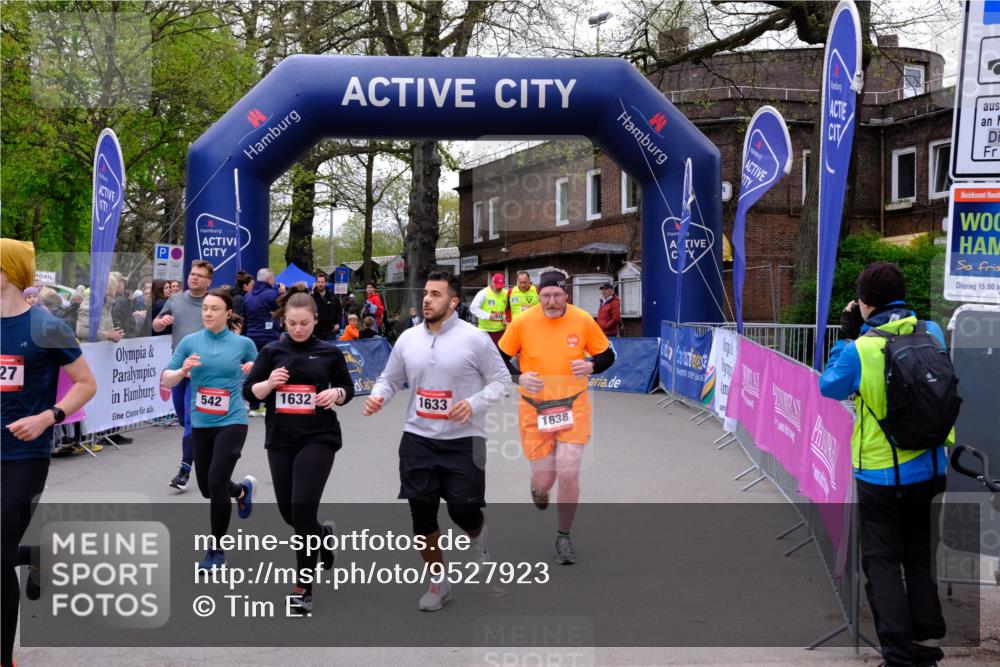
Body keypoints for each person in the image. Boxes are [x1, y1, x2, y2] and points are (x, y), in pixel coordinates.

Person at [819, 262, 948, 667]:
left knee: (882, 561)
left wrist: (846, 336)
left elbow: (830, 386)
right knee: (920, 555)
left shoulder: (861, 347)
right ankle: (927, 642)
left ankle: (898, 653)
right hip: (932, 466)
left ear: (864, 303)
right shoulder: (933, 332)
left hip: (880, 472)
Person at [364, 271, 511, 611]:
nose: (426, 299)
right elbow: (389, 379)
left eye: (436, 294)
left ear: (454, 302)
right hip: (418, 439)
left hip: (464, 439)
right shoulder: (408, 339)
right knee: (422, 515)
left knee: (464, 511)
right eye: (426, 293)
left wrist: (473, 403)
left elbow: (502, 381)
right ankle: (439, 581)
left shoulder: (474, 339)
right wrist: (378, 396)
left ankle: (478, 540)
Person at [1, 238, 97, 667]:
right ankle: (37, 554)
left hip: (25, 455)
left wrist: (48, 416)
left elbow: (85, 384)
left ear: (9, 272)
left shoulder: (46, 326)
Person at [244, 292, 354, 614]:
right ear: (284, 321)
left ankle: (303, 585)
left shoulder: (329, 352)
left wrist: (336, 393)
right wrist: (268, 384)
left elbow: (347, 389)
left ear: (315, 321)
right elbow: (249, 392)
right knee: (289, 514)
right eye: (292, 323)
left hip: (319, 437)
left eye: (304, 323)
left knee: (302, 510)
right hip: (281, 438)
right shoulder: (272, 351)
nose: (298, 328)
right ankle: (323, 535)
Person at [498, 270, 615, 565]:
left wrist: (592, 366)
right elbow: (497, 358)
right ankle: (538, 488)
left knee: (569, 470)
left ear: (566, 295)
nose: (551, 301)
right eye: (546, 295)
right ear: (539, 295)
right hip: (534, 409)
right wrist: (519, 377)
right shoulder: (523, 322)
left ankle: (564, 535)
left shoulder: (583, 320)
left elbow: (607, 355)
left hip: (573, 406)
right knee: (546, 479)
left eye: (557, 295)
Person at [161, 289, 258, 570]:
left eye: (214, 309)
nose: (207, 313)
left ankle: (216, 550)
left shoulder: (243, 344)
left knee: (216, 480)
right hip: (202, 422)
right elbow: (167, 379)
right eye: (205, 308)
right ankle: (241, 492)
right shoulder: (190, 342)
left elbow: (259, 373)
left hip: (233, 420)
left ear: (228, 314)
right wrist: (181, 372)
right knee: (206, 487)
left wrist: (253, 368)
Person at [153, 260, 215, 490]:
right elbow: (156, 325)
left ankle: (184, 470)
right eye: (192, 273)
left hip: (202, 370)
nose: (194, 277)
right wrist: (161, 321)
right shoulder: (176, 299)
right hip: (178, 368)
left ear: (209, 281)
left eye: (200, 275)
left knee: (190, 420)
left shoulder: (212, 302)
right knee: (182, 417)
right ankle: (199, 446)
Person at [471, 273, 509, 346]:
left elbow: (508, 309)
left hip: (501, 331)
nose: (499, 288)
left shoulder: (506, 293)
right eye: (497, 286)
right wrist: (488, 316)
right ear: (492, 283)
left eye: (501, 286)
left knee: (500, 355)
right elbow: (473, 308)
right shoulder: (483, 293)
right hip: (486, 331)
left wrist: (506, 318)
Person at [311, 271, 341, 340]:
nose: (320, 284)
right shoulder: (311, 298)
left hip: (330, 331)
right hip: (316, 331)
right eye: (318, 282)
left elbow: (339, 311)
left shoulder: (333, 297)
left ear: (326, 283)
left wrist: (337, 323)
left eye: (322, 282)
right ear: (316, 283)